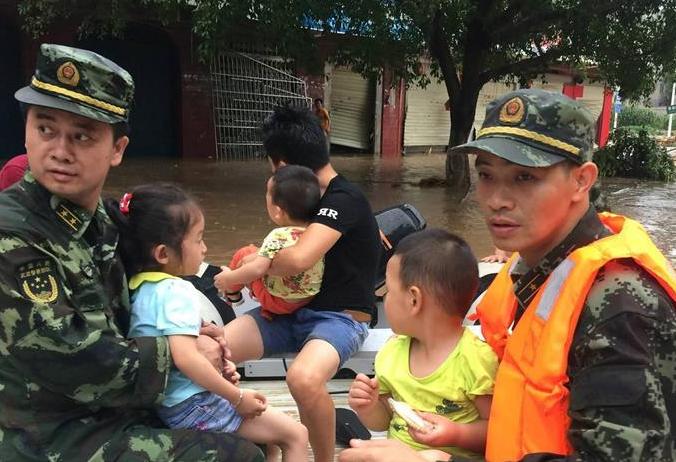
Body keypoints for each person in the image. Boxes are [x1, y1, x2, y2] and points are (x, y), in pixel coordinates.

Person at [339, 89, 676, 462]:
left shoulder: (622, 307)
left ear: (582, 181)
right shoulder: (533, 269)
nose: (496, 199)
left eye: (524, 178)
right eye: (486, 175)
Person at [0, 43, 264, 461]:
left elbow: (149, 292)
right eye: (46, 129)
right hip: (52, 436)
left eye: (82, 135)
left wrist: (196, 332)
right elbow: (73, 358)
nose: (60, 150)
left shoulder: (106, 221)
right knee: (237, 455)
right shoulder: (12, 232)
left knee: (256, 432)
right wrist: (185, 355)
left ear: (118, 149)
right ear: (27, 130)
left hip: (120, 408)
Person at [222, 106, 381, 462]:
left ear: (279, 164)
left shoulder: (343, 198)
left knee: (303, 379)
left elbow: (297, 259)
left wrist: (247, 269)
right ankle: (265, 440)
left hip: (339, 319)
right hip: (288, 314)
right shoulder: (307, 199)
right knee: (211, 351)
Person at [106, 183, 309, 461]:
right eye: (198, 239)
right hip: (194, 403)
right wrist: (237, 398)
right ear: (163, 254)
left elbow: (164, 335)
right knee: (295, 435)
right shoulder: (177, 290)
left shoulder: (139, 286)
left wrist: (202, 330)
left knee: (271, 443)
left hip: (170, 403)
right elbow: (187, 358)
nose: (205, 249)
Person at [348, 229, 497, 460]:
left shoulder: (475, 360)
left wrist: (456, 434)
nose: (384, 299)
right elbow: (385, 421)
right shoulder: (392, 352)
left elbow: (496, 430)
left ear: (414, 300)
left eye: (388, 290)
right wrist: (369, 406)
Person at [214, 165, 324, 320]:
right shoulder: (318, 233)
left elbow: (258, 269)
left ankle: (233, 294)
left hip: (278, 303)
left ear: (278, 212)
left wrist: (228, 278)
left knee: (245, 253)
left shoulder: (278, 235)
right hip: (307, 299)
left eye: (267, 194)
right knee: (259, 255)